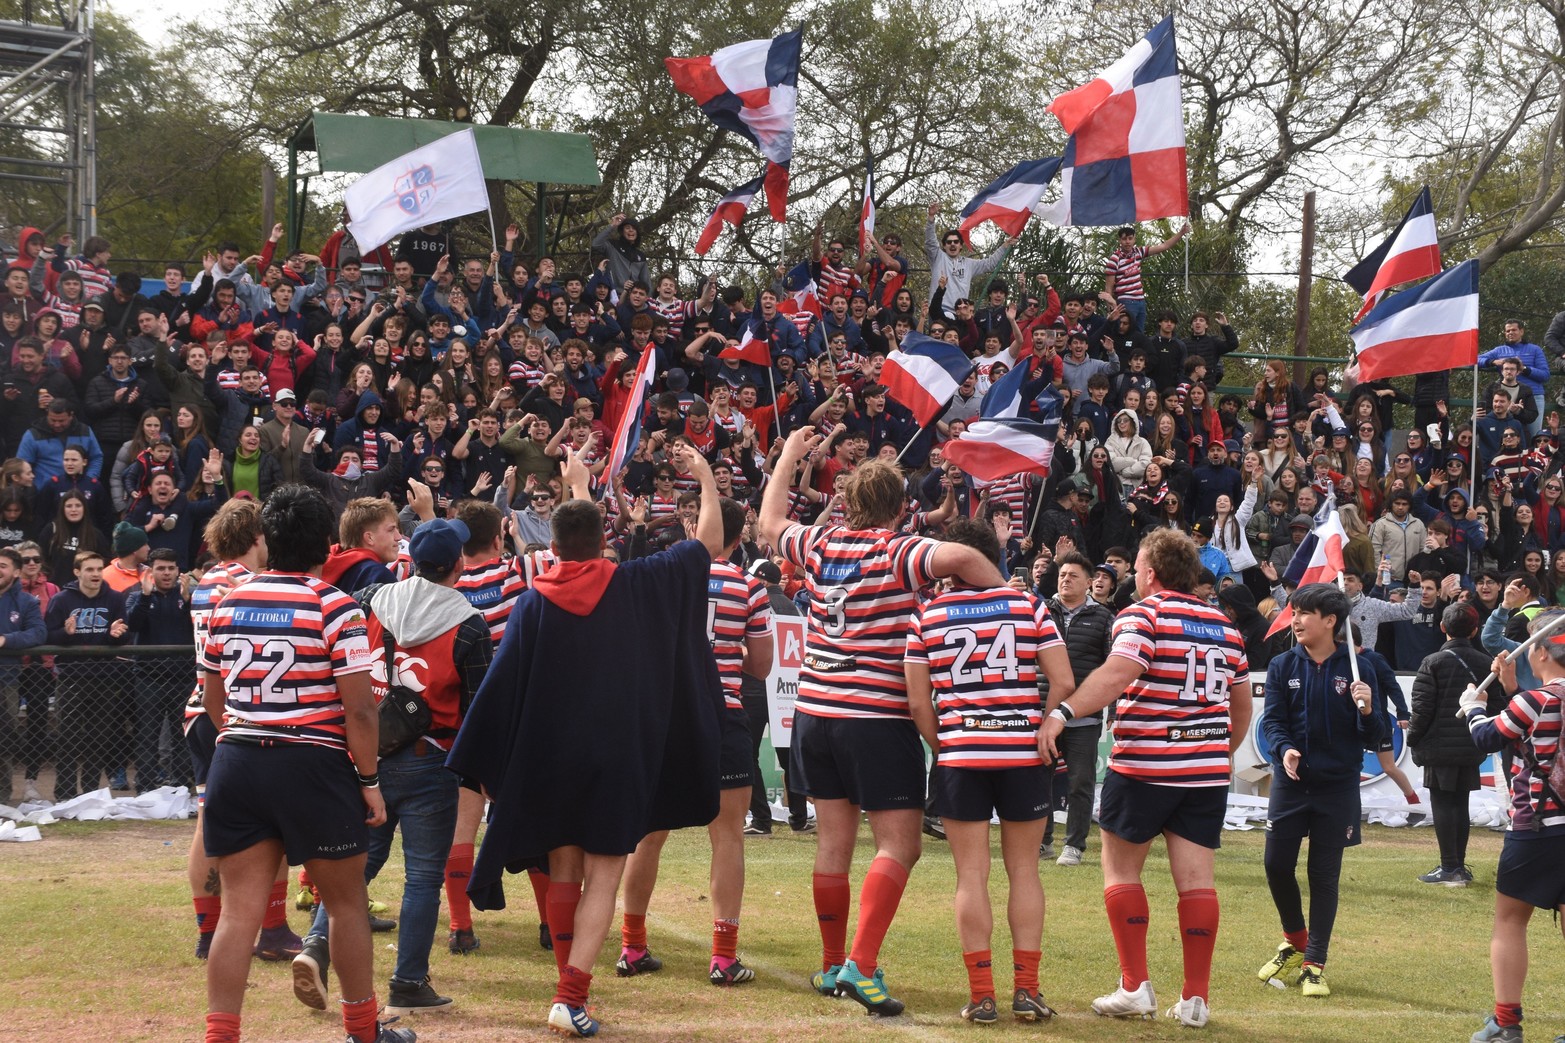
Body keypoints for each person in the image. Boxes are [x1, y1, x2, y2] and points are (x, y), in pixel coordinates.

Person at [447, 446, 726, 1038]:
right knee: (604, 877)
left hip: (550, 761)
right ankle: (570, 995)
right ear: (605, 540)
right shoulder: (639, 583)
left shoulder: (532, 603)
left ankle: (564, 989)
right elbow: (707, 546)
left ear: (552, 543)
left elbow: (499, 692)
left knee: (566, 872)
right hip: (617, 759)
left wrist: (486, 765)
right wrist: (702, 475)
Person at [758, 428, 1005, 1016]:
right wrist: (1009, 604)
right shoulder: (896, 551)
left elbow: (769, 524)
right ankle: (860, 968)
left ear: (845, 504)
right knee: (900, 845)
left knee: (833, 844)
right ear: (900, 508)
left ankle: (829, 963)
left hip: (814, 713)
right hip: (875, 714)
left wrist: (791, 457)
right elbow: (967, 556)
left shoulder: (820, 544)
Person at [198, 484, 410, 1043]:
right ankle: (363, 1030)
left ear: (267, 538)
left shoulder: (226, 601)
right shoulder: (335, 605)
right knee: (346, 905)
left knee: (238, 913)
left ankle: (221, 1036)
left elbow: (214, 698)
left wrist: (248, 739)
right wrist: (368, 781)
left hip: (238, 758)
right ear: (324, 541)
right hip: (313, 763)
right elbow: (360, 710)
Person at [1039, 528, 1253, 1028]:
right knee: (1197, 885)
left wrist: (1062, 712)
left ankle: (1135, 986)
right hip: (1201, 774)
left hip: (1143, 768)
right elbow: (1239, 707)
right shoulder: (1224, 626)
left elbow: (1118, 674)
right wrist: (1216, 754)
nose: (1133, 575)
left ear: (1151, 573)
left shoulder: (1142, 615)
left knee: (1121, 873)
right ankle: (1196, 998)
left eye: (1136, 567)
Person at [295, 518, 493, 1017]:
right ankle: (408, 980)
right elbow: (476, 713)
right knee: (423, 877)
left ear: (412, 560)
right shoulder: (469, 623)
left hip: (368, 754)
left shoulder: (369, 600)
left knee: (359, 865)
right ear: (458, 564)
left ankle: (317, 944)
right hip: (431, 759)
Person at [905, 519, 1075, 1024]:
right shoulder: (1027, 605)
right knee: (1024, 871)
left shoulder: (928, 614)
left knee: (970, 875)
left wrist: (949, 743)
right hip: (1022, 754)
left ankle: (982, 995)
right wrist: (1046, 725)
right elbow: (1063, 680)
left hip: (961, 756)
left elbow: (918, 703)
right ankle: (1026, 990)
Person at [616, 497, 773, 986]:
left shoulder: (660, 577)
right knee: (727, 836)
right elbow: (762, 667)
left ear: (692, 525)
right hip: (720, 712)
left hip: (664, 715)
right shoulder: (749, 585)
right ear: (739, 534)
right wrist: (730, 649)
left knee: (648, 834)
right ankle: (723, 958)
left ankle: (632, 947)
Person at [1256, 583, 1385, 998]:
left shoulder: (1360, 667)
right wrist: (1286, 749)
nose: (1294, 621)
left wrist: (1366, 709)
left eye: (1303, 614)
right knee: (1276, 865)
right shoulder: (1281, 665)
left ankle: (1315, 962)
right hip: (1290, 785)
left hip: (1338, 788)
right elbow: (1272, 721)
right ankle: (1295, 941)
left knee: (1322, 876)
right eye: (1293, 613)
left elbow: (1375, 735)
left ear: (1330, 621)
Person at [1462, 613, 1565, 1043]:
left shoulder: (1537, 699)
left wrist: (1473, 708)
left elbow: (1488, 737)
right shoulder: (1534, 699)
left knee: (1509, 920)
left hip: (1537, 825)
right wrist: (1509, 690)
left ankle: (1506, 1023)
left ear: (1540, 650)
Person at [1408, 603, 1503, 888]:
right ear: (1475, 630)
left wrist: (1413, 737)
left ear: (1442, 627)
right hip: (1472, 743)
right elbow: (1497, 705)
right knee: (1460, 805)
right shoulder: (1485, 661)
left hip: (1438, 746)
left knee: (1443, 806)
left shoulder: (1433, 661)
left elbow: (1421, 709)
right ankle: (1457, 866)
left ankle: (1450, 867)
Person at [1041, 551, 1114, 867]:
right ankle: (1041, 842)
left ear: (1089, 582)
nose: (1066, 579)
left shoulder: (1104, 618)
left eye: (1073, 575)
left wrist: (1112, 705)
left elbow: (1113, 667)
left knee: (1081, 782)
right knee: (1038, 782)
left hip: (1083, 715)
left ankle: (1074, 846)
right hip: (1043, 711)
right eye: (1062, 574)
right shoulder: (1041, 611)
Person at [43, 549, 130, 801]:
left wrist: (118, 634)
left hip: (104, 676)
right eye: (89, 569)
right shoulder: (61, 600)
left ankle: (90, 793)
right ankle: (65, 793)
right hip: (71, 676)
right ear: (77, 572)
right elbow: (49, 636)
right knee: (68, 736)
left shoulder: (114, 598)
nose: (95, 574)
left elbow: (123, 636)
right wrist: (65, 634)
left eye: (98, 569)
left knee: (98, 737)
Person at [125, 547, 195, 793]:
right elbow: (132, 625)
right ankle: (145, 786)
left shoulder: (189, 596)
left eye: (171, 568)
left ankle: (180, 785)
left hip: (183, 677)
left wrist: (188, 602)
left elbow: (201, 628)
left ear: (178, 570)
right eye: (161, 568)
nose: (166, 573)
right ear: (150, 571)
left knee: (182, 736)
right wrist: (145, 597)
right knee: (147, 734)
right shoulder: (136, 596)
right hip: (148, 677)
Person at [0, 545, 46, 805]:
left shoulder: (27, 601)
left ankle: (2, 798)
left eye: (3, 566)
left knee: (2, 740)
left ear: (16, 572)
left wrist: (6, 640)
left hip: (6, 678)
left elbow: (38, 633)